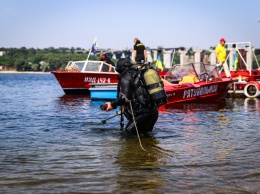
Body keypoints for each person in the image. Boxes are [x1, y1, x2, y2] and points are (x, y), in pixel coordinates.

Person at [104, 58, 158, 134]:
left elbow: (124, 98)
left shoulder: (126, 77)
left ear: (121, 69)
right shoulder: (139, 73)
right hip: (153, 112)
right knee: (146, 136)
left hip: (141, 115)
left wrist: (112, 104)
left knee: (128, 134)